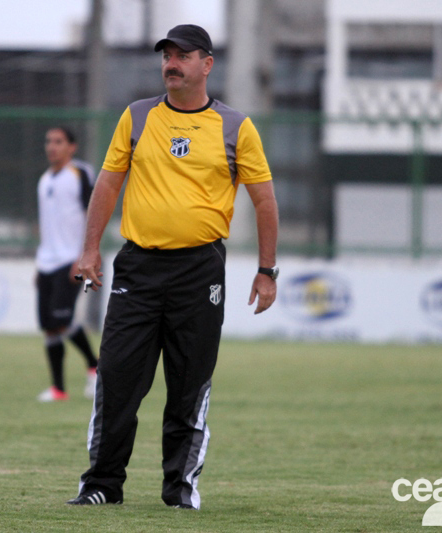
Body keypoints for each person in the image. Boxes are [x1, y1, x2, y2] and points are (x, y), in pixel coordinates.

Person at [66, 24, 279, 509]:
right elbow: (107, 184)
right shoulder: (137, 116)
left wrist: (267, 271)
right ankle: (102, 484)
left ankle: (180, 488)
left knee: (189, 384)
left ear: (207, 64)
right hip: (138, 268)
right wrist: (90, 249)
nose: (172, 62)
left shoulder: (236, 127)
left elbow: (264, 201)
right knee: (117, 379)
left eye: (183, 54)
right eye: (166, 54)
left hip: (199, 272)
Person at [34, 126, 99, 402]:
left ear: (71, 146)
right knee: (50, 325)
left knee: (63, 321)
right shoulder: (44, 179)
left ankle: (95, 368)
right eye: (49, 141)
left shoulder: (80, 173)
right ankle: (59, 389)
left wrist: (84, 255)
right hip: (47, 262)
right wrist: (39, 264)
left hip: (71, 261)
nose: (52, 146)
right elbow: (46, 226)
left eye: (58, 142)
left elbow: (93, 214)